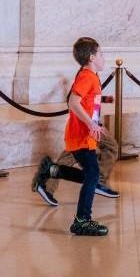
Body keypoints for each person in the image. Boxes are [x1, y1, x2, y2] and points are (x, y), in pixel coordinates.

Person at [30, 37, 111, 236]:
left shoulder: (92, 76)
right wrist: (91, 124)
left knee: (91, 176)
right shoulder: (87, 77)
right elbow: (74, 102)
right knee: (92, 176)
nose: (104, 57)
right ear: (92, 57)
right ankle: (82, 220)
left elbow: (88, 103)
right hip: (81, 135)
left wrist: (96, 121)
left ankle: (53, 170)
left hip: (86, 135)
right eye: (101, 53)